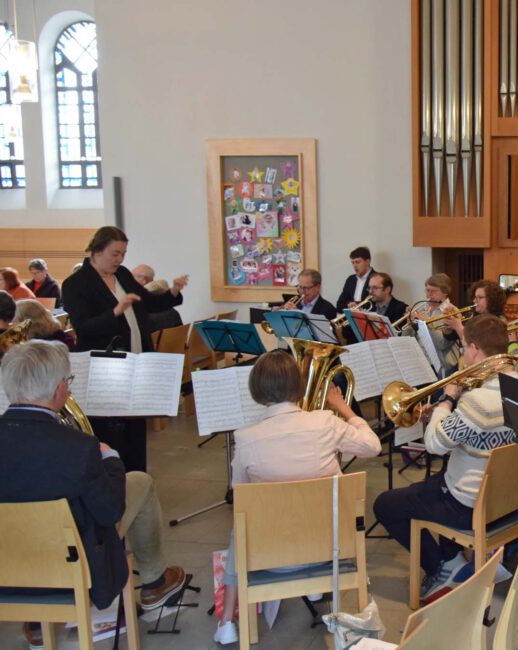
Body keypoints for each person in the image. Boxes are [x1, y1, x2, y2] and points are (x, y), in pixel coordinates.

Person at [0, 341, 187, 650]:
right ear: (60, 389)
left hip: (9, 569)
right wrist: (111, 458)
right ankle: (154, 584)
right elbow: (110, 510)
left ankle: (35, 622)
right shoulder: (78, 448)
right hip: (78, 566)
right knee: (139, 481)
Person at [215, 350, 381, 644]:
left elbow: (239, 496)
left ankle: (227, 623)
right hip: (330, 550)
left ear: (256, 389)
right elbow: (372, 446)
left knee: (240, 523)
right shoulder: (326, 422)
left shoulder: (245, 437)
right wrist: (343, 407)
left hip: (270, 557)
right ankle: (318, 589)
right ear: (298, 387)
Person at [373, 315, 517, 605]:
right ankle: (452, 555)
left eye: (464, 346)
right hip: (509, 496)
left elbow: (435, 445)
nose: (463, 353)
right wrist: (444, 416)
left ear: (474, 349)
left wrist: (448, 400)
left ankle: (444, 566)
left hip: (469, 505)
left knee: (385, 504)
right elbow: (471, 435)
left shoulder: (478, 400)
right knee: (432, 482)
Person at [61, 226, 188, 472]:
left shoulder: (123, 275)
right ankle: (112, 477)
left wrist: (173, 291)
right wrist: (115, 312)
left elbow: (149, 302)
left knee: (135, 427)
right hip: (104, 368)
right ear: (97, 251)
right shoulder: (76, 284)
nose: (119, 259)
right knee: (109, 429)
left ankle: (137, 476)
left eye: (123, 254)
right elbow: (84, 328)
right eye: (114, 254)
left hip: (136, 360)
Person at [334, 246, 375, 311]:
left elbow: (376, 303)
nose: (354, 266)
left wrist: (356, 304)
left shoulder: (377, 279)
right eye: (353, 262)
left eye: (358, 262)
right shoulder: (350, 280)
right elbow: (339, 304)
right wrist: (348, 304)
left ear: (367, 261)